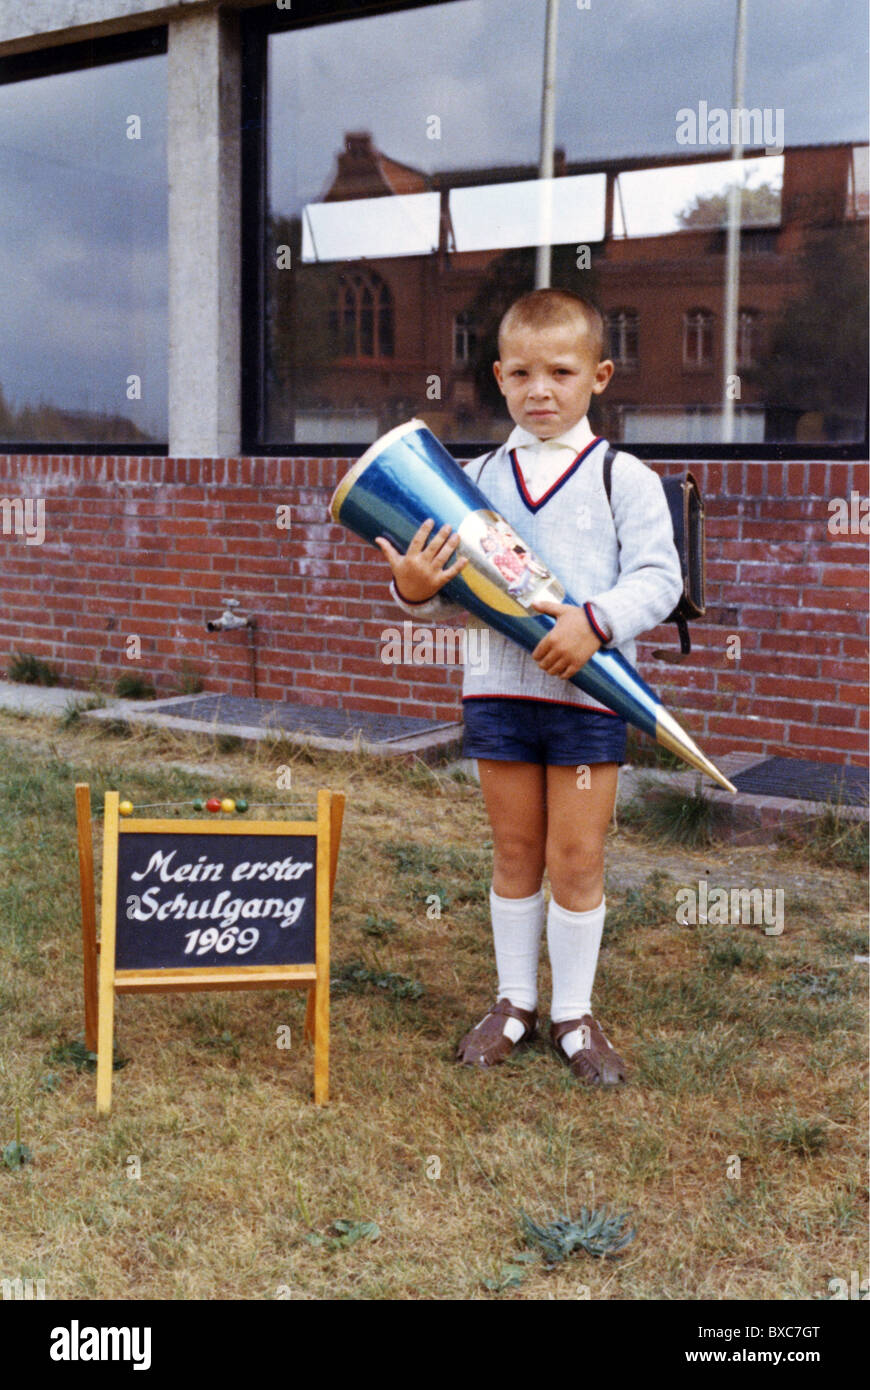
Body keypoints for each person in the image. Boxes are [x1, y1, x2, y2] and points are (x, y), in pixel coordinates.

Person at [374, 288, 682, 1085]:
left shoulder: (625, 478)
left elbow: (660, 579)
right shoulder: (468, 478)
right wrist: (413, 586)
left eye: (561, 371)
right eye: (521, 373)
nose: (539, 389)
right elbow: (445, 587)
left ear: (600, 376)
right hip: (498, 695)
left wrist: (596, 621)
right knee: (515, 851)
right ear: (498, 377)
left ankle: (574, 1015)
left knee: (575, 857)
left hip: (589, 700)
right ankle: (514, 1001)